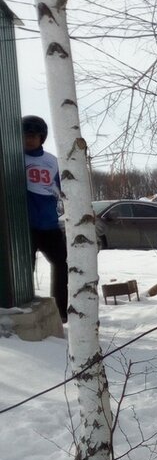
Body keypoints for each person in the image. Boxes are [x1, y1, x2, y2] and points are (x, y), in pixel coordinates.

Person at [22, 114, 67, 320]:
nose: (29, 139)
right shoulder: (14, 158)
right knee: (24, 268)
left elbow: (65, 189)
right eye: (25, 135)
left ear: (42, 137)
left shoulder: (52, 162)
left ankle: (62, 311)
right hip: (25, 227)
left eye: (33, 135)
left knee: (61, 264)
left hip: (49, 224)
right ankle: (25, 305)